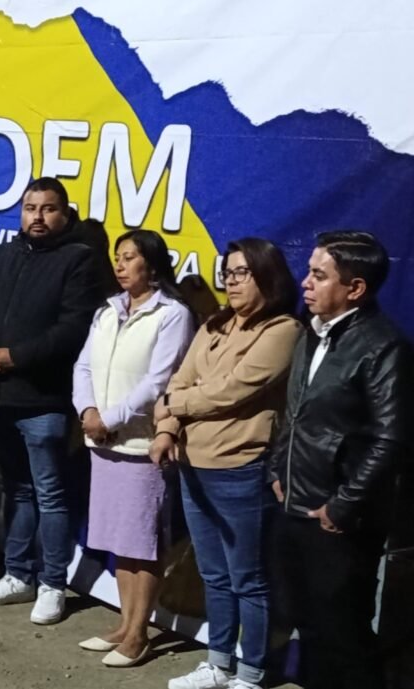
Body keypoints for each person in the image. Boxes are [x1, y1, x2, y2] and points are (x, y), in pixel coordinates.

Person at [151, 238, 302, 689]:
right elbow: (181, 378)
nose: (231, 282)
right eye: (227, 273)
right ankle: (218, 663)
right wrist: (166, 428)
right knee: (213, 574)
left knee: (247, 579)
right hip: (192, 465)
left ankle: (251, 673)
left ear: (267, 276)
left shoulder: (283, 330)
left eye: (241, 273)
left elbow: (231, 391)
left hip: (241, 468)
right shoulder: (215, 323)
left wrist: (174, 405)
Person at [270, 231, 413, 689]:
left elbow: (391, 439)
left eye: (319, 275)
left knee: (344, 636)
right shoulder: (312, 333)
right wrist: (277, 468)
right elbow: (294, 413)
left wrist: (343, 505)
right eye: (309, 272)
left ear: (355, 288)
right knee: (307, 626)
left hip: (338, 522)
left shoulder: (382, 346)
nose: (305, 283)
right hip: (295, 504)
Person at [0, 177, 103, 625]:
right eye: (30, 208)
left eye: (48, 209)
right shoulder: (2, 255)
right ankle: (18, 574)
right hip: (0, 396)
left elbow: (73, 329)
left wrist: (17, 356)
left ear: (65, 214)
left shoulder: (79, 260)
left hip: (45, 400)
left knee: (50, 494)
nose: (37, 217)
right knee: (17, 490)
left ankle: (52, 583)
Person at [72, 229, 195, 666]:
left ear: (152, 264)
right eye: (118, 257)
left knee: (143, 542)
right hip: (102, 442)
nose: (120, 265)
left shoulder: (172, 315)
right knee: (119, 538)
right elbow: (84, 365)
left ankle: (140, 633)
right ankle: (125, 624)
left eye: (129, 257)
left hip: (141, 444)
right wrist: (88, 410)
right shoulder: (107, 310)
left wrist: (111, 418)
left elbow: (159, 381)